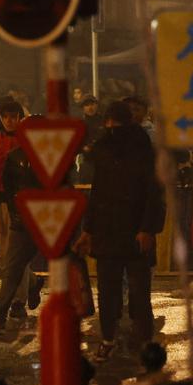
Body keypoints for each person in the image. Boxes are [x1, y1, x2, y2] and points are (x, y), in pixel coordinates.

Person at [73, 101, 165, 361]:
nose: (112, 129)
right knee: (108, 292)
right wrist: (88, 231)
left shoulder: (144, 150)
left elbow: (153, 195)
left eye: (117, 124)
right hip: (106, 233)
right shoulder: (104, 149)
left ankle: (143, 341)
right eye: (110, 124)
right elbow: (98, 193)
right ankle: (108, 339)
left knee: (138, 293)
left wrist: (147, 229)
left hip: (135, 233)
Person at [0, 100, 42, 335]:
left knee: (14, 264)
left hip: (42, 219)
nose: (10, 121)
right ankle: (3, 313)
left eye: (14, 117)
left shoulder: (49, 155)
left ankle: (19, 301)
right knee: (12, 263)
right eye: (6, 116)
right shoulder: (10, 149)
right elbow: (4, 181)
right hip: (18, 216)